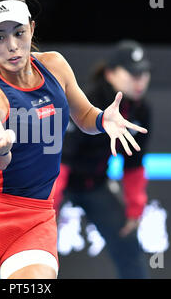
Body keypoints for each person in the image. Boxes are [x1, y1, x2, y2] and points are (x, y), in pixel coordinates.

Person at [0, 0, 147, 279]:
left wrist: (104, 119)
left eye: (18, 32)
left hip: (35, 218)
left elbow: (84, 117)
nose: (12, 46)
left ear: (31, 27)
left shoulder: (55, 65)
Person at [56, 40, 152, 278]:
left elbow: (134, 164)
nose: (140, 80)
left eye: (144, 73)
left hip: (95, 184)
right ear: (110, 73)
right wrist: (47, 209)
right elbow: (61, 160)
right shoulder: (87, 101)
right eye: (132, 73)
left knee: (128, 241)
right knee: (33, 247)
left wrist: (135, 210)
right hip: (57, 182)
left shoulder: (141, 110)